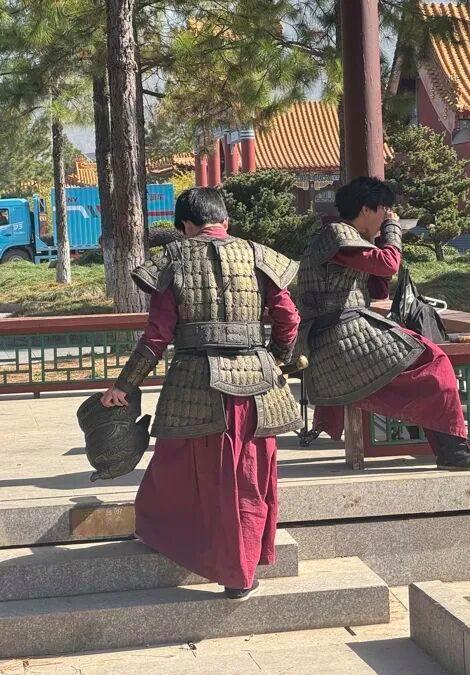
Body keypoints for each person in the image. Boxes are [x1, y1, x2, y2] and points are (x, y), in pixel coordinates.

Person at [100, 187, 302, 600]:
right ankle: (241, 571)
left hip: (195, 387)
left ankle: (175, 541)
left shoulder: (171, 260)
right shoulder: (260, 255)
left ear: (186, 226)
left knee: (179, 469)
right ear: (224, 221)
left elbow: (156, 338)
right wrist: (277, 359)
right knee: (247, 476)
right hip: (256, 386)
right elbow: (288, 319)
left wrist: (124, 385)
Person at [296, 176, 470, 471]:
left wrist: (377, 239)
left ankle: (450, 449)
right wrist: (392, 229)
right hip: (340, 333)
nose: (385, 216)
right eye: (383, 210)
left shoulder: (338, 236)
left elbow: (378, 289)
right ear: (367, 209)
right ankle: (451, 450)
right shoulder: (337, 234)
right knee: (433, 359)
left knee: (425, 362)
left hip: (337, 333)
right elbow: (389, 264)